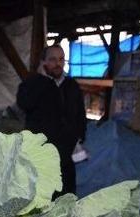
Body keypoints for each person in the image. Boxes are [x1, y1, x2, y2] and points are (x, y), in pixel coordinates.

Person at [17, 45, 86, 195]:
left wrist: (78, 137)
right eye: (52, 59)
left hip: (65, 155)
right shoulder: (33, 84)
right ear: (43, 62)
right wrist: (41, 81)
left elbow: (80, 115)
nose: (58, 63)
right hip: (41, 154)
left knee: (65, 196)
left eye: (61, 59)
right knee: (42, 197)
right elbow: (24, 103)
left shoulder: (71, 86)